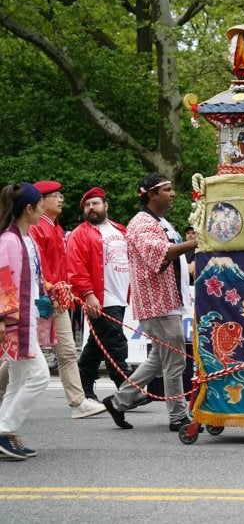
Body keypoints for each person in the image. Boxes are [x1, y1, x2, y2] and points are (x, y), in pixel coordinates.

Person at [0, 181, 106, 419]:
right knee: (32, 365)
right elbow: (6, 279)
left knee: (31, 361)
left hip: (45, 301)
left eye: (61, 195)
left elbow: (39, 273)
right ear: (33, 206)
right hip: (33, 307)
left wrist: (56, 289)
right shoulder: (21, 236)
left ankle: (8, 426)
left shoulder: (50, 229)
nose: (60, 200)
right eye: (52, 196)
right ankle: (6, 427)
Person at [103, 174, 197, 431]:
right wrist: (198, 243)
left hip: (168, 301)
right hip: (158, 303)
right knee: (176, 359)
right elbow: (161, 253)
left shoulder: (160, 221)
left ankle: (119, 401)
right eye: (168, 190)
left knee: (159, 358)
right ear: (152, 194)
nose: (173, 193)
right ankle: (178, 416)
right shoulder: (142, 223)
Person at [66, 187, 133, 402]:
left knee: (97, 343)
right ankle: (127, 388)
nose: (90, 208)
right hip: (101, 297)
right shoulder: (80, 234)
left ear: (106, 205)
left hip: (120, 295)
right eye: (87, 205)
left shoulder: (121, 230)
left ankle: (84, 385)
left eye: (95, 203)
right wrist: (87, 293)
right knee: (114, 341)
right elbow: (75, 267)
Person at [0, 183, 51, 459]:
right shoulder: (8, 240)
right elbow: (2, 280)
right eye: (40, 203)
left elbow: (30, 278)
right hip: (14, 320)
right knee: (39, 376)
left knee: (18, 382)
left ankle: (5, 433)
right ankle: (4, 428)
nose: (44, 207)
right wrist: (3, 318)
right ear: (28, 209)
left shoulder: (26, 239)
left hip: (25, 316)